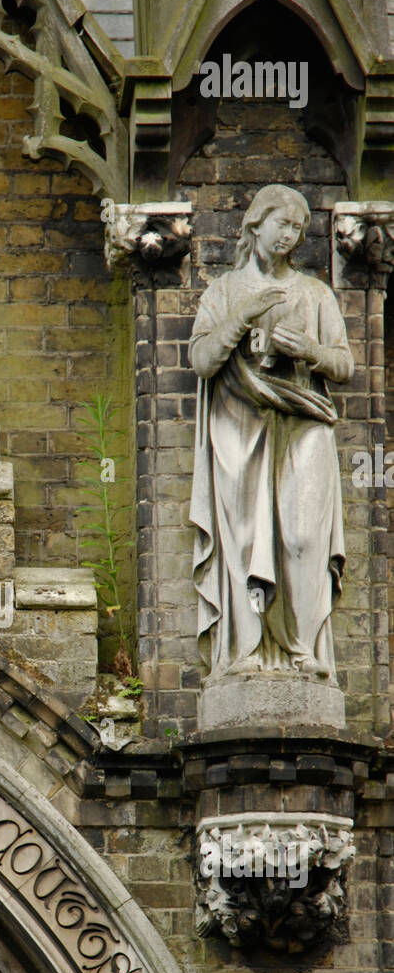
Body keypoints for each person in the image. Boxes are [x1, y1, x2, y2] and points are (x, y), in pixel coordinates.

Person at [189, 184, 354, 682]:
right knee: (243, 538)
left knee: (304, 536)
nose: (290, 236)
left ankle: (303, 648)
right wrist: (240, 319)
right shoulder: (222, 292)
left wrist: (308, 349)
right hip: (238, 426)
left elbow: (344, 364)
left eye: (298, 229)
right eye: (282, 224)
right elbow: (200, 361)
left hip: (304, 423)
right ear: (255, 224)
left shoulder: (314, 293)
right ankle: (247, 649)